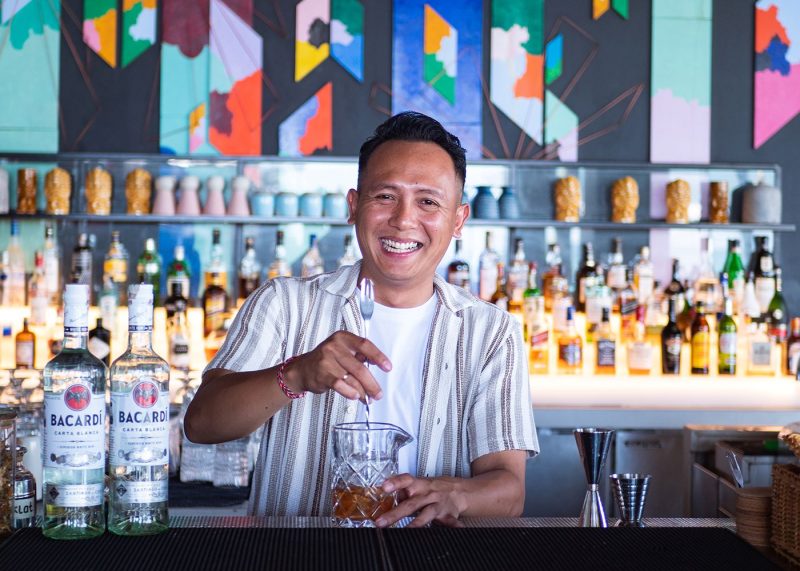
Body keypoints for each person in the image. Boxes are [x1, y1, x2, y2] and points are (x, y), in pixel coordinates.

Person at [184, 111, 539, 527]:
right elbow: (202, 423)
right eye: (385, 196)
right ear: (353, 206)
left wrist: (456, 494)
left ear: (458, 220)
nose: (403, 220)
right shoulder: (284, 304)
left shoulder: (490, 331)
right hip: (295, 554)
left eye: (428, 201)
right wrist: (296, 374)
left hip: (434, 555)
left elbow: (509, 491)